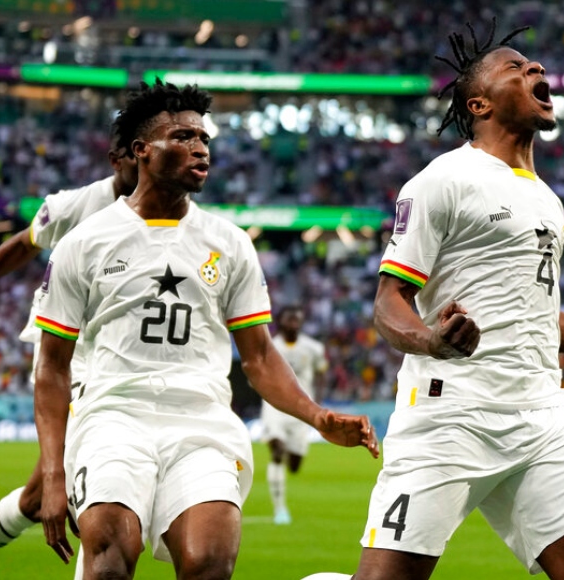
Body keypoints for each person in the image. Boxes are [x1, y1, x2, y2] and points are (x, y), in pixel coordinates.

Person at [319, 22, 564, 580]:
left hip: (541, 411)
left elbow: (535, 319)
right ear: (479, 102)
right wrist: (432, 340)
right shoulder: (443, 180)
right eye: (516, 67)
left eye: (535, 64)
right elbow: (389, 303)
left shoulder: (548, 200)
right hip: (452, 412)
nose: (535, 69)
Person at [32, 80, 378, 579]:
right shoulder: (85, 242)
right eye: (183, 136)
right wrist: (52, 471)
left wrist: (316, 416)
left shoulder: (230, 243)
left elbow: (258, 359)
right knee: (109, 564)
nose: (200, 146)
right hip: (112, 418)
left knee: (209, 564)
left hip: (203, 423)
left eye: (204, 138)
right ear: (141, 151)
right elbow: (52, 366)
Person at [0, 129, 138, 580]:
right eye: (141, 157)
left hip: (117, 360)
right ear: (120, 159)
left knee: (37, 499)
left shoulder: (165, 216)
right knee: (96, 497)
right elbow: (22, 244)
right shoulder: (73, 206)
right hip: (70, 359)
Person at [260, 305, 328, 525]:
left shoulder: (313, 348)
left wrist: (318, 402)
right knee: (277, 452)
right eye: (289, 320)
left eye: (297, 320)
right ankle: (280, 510)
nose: (293, 324)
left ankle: (289, 456)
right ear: (280, 322)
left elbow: (320, 373)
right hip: (275, 406)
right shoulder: (269, 347)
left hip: (301, 409)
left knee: (295, 464)